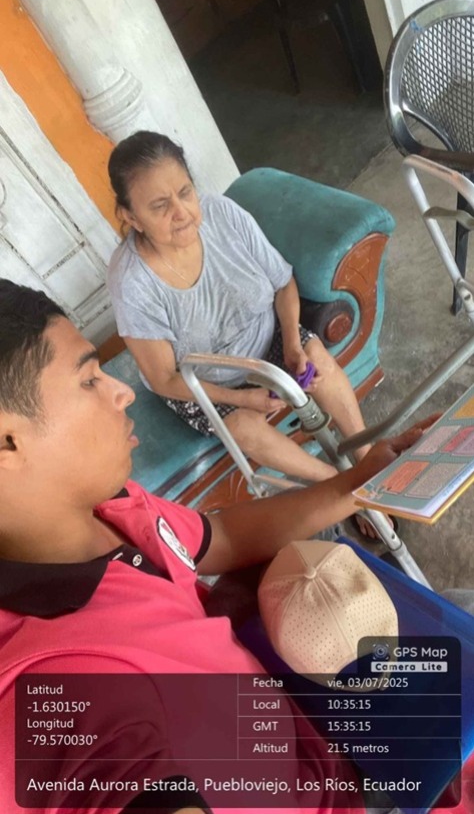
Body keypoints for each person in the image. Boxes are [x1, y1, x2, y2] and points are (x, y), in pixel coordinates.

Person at [0, 279, 468, 814]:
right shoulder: (49, 687)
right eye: (88, 379)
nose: (122, 390)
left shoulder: (113, 505)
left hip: (310, 729)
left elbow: (220, 537)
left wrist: (359, 481)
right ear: (7, 440)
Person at [106, 131, 383, 539]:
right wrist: (241, 398)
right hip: (201, 380)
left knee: (316, 356)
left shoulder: (222, 215)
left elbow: (282, 283)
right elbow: (165, 378)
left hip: (265, 336)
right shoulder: (132, 282)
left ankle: (367, 461)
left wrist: (292, 344)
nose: (181, 212)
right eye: (160, 206)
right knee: (244, 428)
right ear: (131, 217)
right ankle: (342, 488)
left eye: (185, 192)